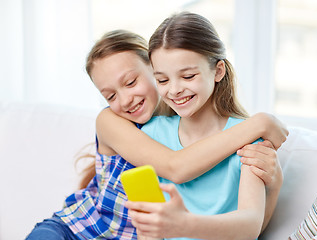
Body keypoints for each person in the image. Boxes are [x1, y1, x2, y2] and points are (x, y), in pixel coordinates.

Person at [25, 28, 287, 240]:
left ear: (153, 68)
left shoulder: (177, 125)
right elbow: (176, 166)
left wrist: (273, 184)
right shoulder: (114, 121)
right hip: (75, 231)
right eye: (111, 95)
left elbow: (247, 226)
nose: (125, 99)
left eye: (130, 82)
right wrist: (259, 123)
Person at [125, 12, 281, 240]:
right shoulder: (151, 134)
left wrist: (185, 224)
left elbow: (250, 224)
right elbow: (148, 230)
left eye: (188, 76)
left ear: (218, 71)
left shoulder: (248, 138)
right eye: (162, 80)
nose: (174, 89)